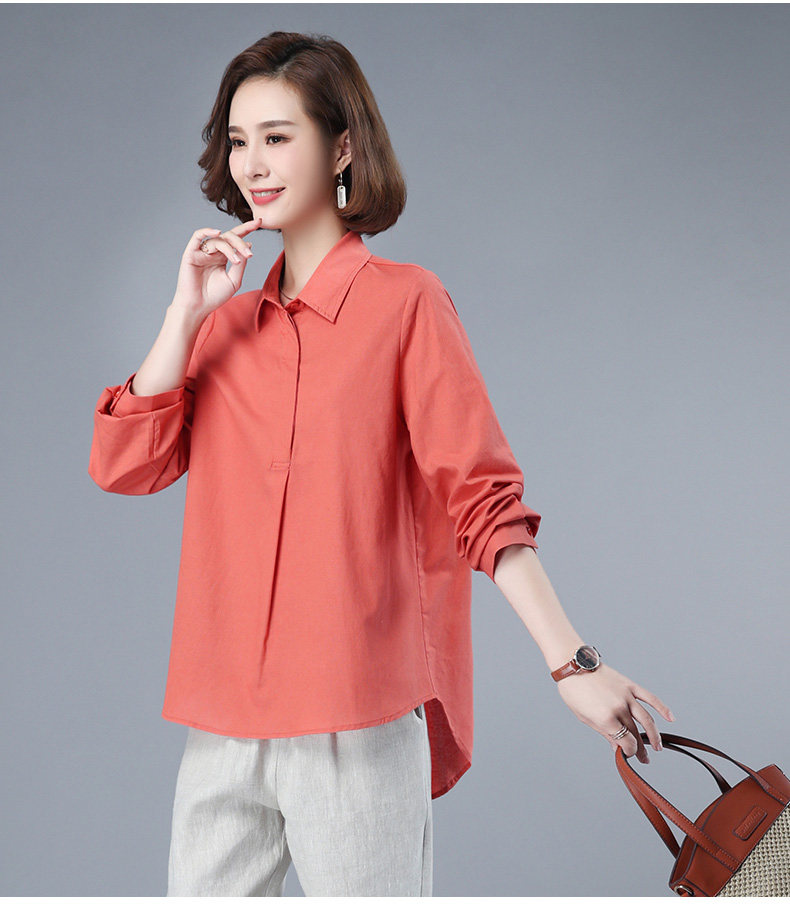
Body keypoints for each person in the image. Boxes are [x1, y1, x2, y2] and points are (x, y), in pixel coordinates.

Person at [88, 30, 675, 897]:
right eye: (240, 140)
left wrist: (572, 665)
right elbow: (124, 468)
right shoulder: (223, 327)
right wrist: (184, 316)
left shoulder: (406, 304)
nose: (253, 163)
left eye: (278, 136)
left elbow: (483, 501)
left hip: (356, 720)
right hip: (223, 725)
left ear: (342, 148)